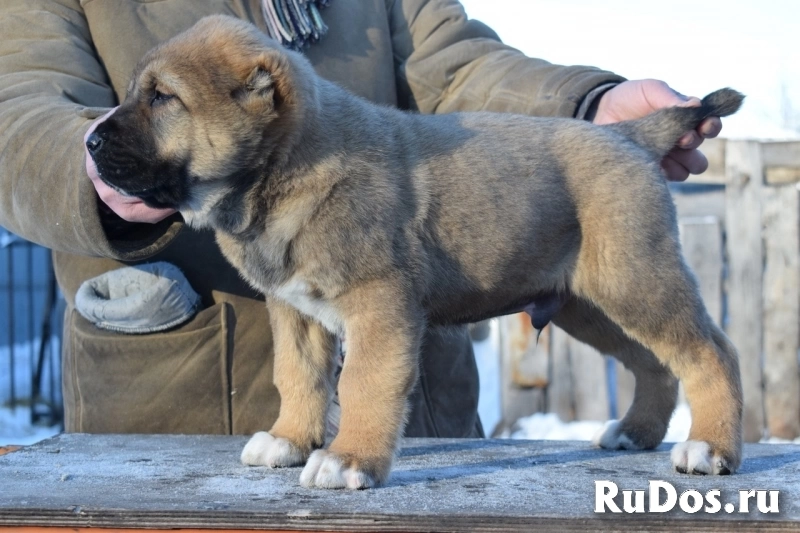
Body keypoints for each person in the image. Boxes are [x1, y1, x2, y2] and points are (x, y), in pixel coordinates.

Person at [0, 0, 722, 437]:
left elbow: (456, 64)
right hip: (175, 414)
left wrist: (587, 107)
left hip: (418, 438)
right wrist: (90, 167)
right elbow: (16, 114)